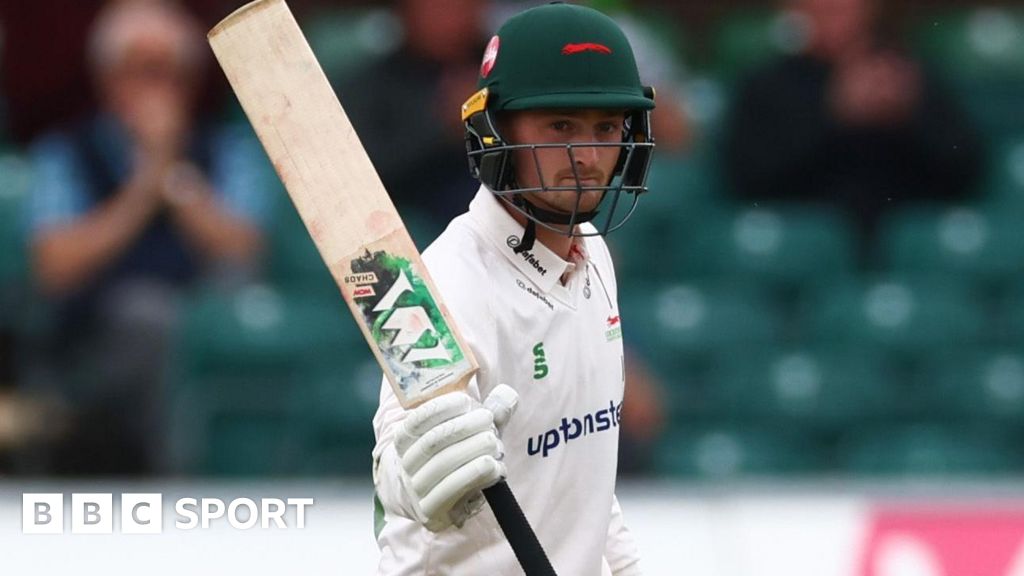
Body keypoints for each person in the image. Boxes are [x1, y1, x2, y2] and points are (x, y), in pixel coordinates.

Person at [371, 3, 654, 574]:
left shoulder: (593, 252)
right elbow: (392, 465)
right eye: (561, 127)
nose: (588, 157)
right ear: (494, 131)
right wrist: (418, 476)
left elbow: (587, 478)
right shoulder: (441, 282)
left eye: (605, 128)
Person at [23, 0, 268, 475]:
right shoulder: (67, 152)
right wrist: (143, 185)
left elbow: (244, 251)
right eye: (141, 70)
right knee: (149, 318)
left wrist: (172, 173)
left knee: (230, 315)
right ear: (107, 79)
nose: (158, 88)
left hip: (200, 314)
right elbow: (54, 268)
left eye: (171, 72)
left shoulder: (226, 149)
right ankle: (178, 481)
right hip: (93, 341)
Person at [722, 0, 982, 252]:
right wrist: (831, 116)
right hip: (801, 257)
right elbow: (748, 181)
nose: (832, 6)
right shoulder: (766, 85)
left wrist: (910, 117)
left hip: (909, 257)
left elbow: (966, 171)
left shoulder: (910, 77)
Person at [338, 0, 488, 242]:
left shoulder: (505, 69)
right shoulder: (370, 87)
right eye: (438, 7)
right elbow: (363, 179)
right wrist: (444, 126)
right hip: (415, 230)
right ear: (404, 12)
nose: (451, 19)